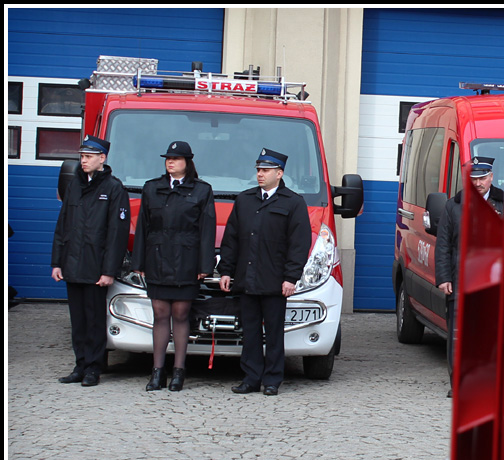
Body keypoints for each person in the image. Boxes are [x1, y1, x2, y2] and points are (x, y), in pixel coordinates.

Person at [218, 148, 312, 396]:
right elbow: (232, 238)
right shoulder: (245, 200)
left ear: (279, 173)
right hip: (247, 279)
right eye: (258, 170)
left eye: (266, 170)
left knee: (273, 333)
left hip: (274, 280)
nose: (260, 174)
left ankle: (272, 380)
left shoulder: (293, 203)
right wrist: (226, 270)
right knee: (249, 332)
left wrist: (291, 277)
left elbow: (299, 244)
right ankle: (250, 378)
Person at [130, 141, 216, 392]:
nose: (170, 162)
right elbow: (143, 228)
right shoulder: (152, 188)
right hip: (157, 260)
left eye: (176, 159)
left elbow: (206, 231)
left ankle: (178, 371)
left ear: (187, 163)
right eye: (168, 158)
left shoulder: (201, 191)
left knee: (180, 314)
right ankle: (157, 372)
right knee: (160, 314)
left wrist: (205, 265)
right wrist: (138, 263)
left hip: (186, 262)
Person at [51, 135, 130, 387]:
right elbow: (62, 226)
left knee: (95, 320)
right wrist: (57, 262)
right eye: (82, 156)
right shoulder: (74, 185)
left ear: (102, 159)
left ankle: (94, 368)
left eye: (88, 157)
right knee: (78, 321)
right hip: (73, 264)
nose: (82, 161)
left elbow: (117, 234)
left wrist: (109, 270)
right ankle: (80, 365)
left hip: (96, 268)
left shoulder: (114, 188)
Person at [435, 157, 504, 394]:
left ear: (491, 177)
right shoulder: (453, 206)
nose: (478, 184)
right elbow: (443, 245)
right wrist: (444, 277)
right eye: (473, 179)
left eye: (482, 178)